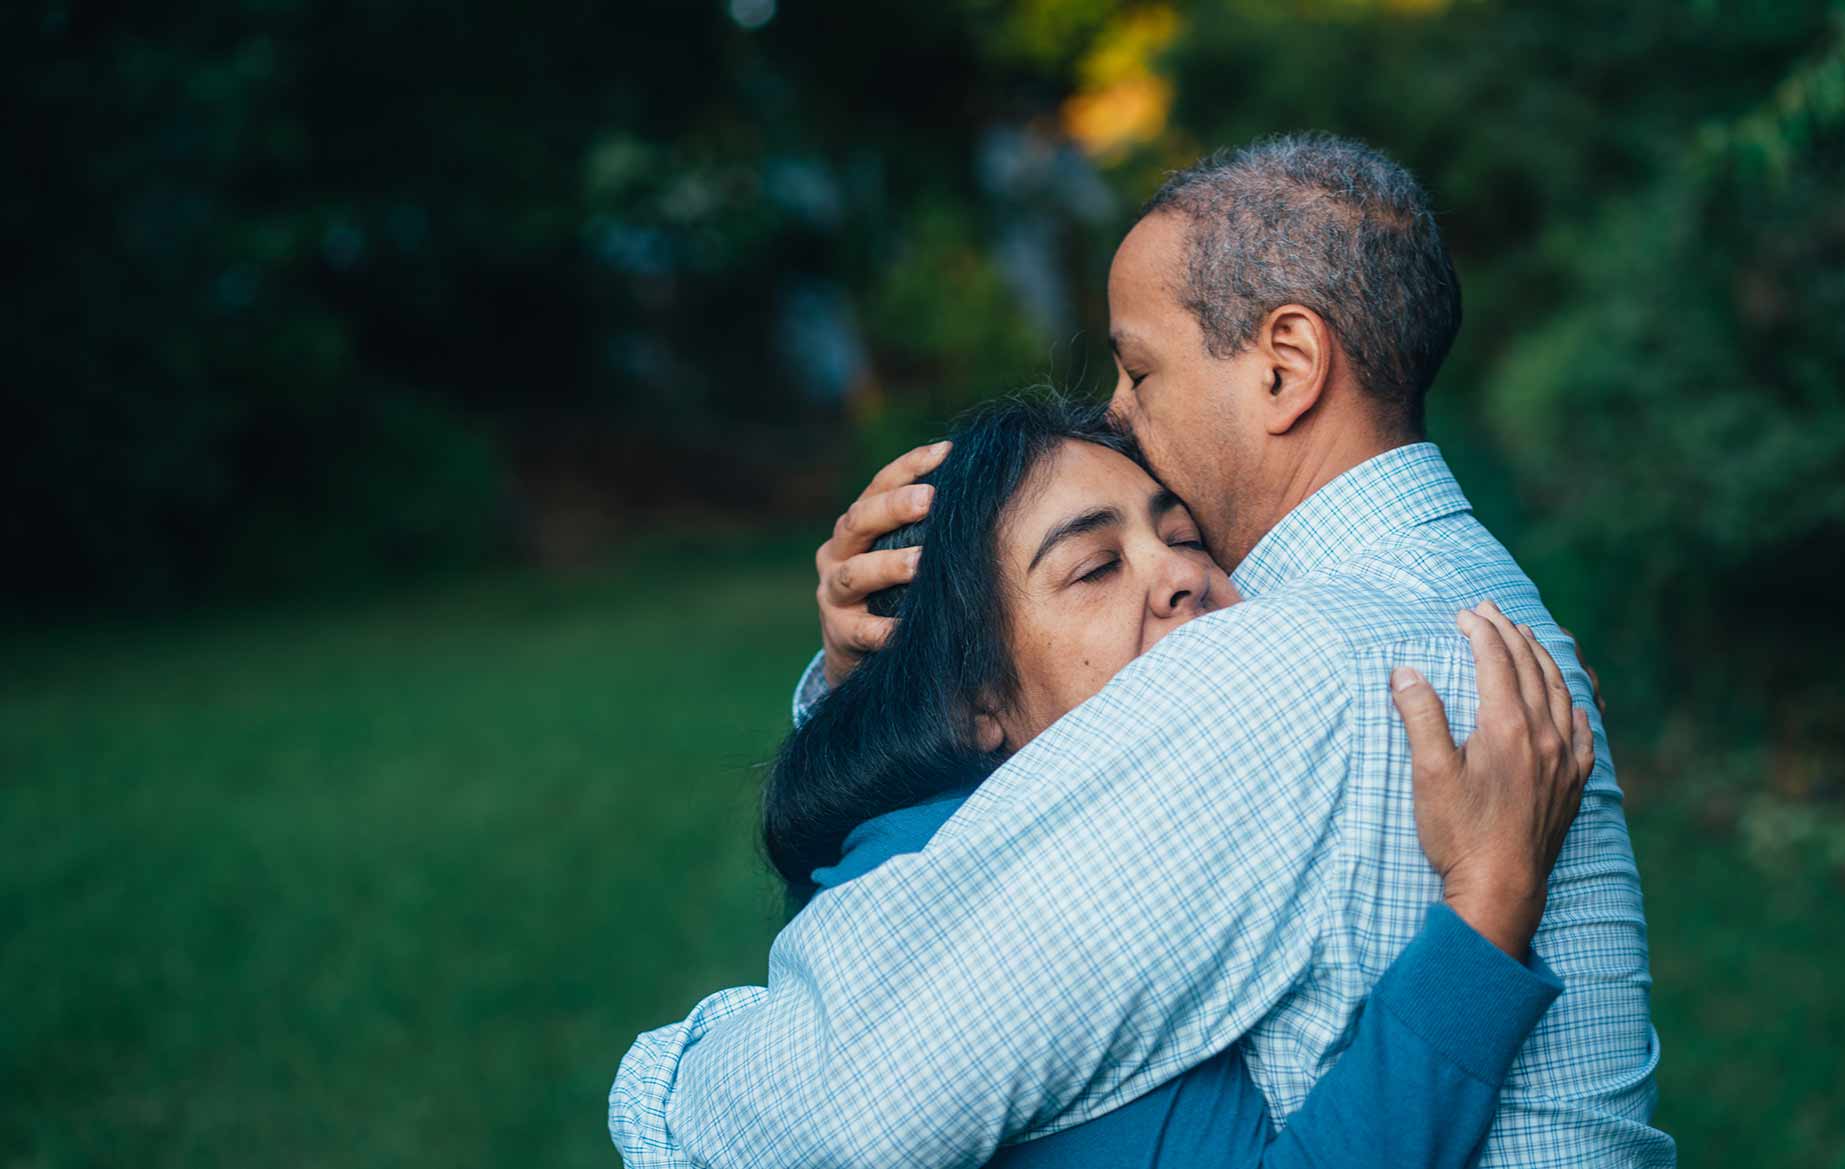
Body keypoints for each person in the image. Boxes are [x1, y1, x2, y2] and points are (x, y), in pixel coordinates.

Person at [614, 134, 1671, 1167]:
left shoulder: (1281, 665)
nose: (1117, 416)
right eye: (1094, 561)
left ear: (1286, 366)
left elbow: (837, 1103)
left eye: (1139, 369)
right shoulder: (1466, 599)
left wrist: (663, 1077)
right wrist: (882, 679)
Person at [710, 393, 1584, 1169]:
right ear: (976, 702)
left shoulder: (915, 838)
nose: (1182, 575)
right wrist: (1489, 902)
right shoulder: (1049, 922)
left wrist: (856, 685)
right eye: (1095, 567)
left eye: (1184, 535)